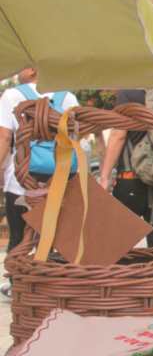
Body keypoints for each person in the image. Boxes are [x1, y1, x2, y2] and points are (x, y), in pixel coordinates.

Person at [0, 68, 79, 298]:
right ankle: (52, 283)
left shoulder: (13, 96)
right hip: (59, 178)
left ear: (32, 69)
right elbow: (74, 138)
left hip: (21, 179)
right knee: (54, 234)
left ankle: (19, 285)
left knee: (18, 236)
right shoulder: (68, 98)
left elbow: (5, 137)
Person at [97, 89, 153, 247]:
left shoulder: (128, 94)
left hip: (132, 177)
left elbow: (118, 136)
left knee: (117, 244)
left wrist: (104, 176)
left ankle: (121, 272)